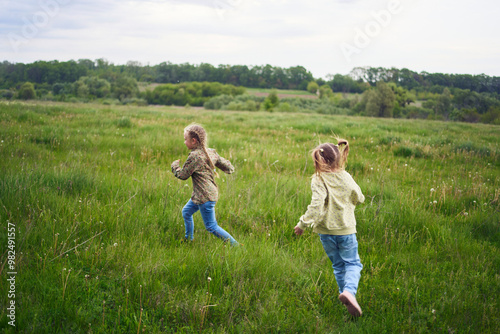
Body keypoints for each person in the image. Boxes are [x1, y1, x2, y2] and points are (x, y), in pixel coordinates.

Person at [294, 139, 365, 317]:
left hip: (326, 232)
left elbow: (317, 204)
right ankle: (350, 292)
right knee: (353, 263)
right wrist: (354, 202)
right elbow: (358, 195)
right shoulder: (345, 176)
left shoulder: (318, 178)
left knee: (339, 266)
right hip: (346, 229)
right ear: (338, 158)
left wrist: (303, 223)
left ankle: (347, 298)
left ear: (320, 160)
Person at [171, 123, 239, 246]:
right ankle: (189, 239)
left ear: (193, 140)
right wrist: (227, 167)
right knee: (186, 212)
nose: (184, 142)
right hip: (202, 195)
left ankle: (236, 245)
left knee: (211, 226)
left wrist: (175, 166)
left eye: (185, 139)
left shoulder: (194, 156)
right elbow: (229, 167)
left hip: (204, 197)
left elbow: (182, 175)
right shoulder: (210, 152)